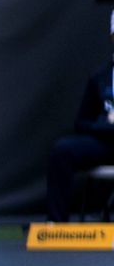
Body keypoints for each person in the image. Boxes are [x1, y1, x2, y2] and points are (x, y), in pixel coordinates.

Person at [45, 15, 114, 223]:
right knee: (63, 150)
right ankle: (56, 224)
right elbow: (81, 122)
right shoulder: (100, 78)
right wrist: (105, 125)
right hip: (105, 142)